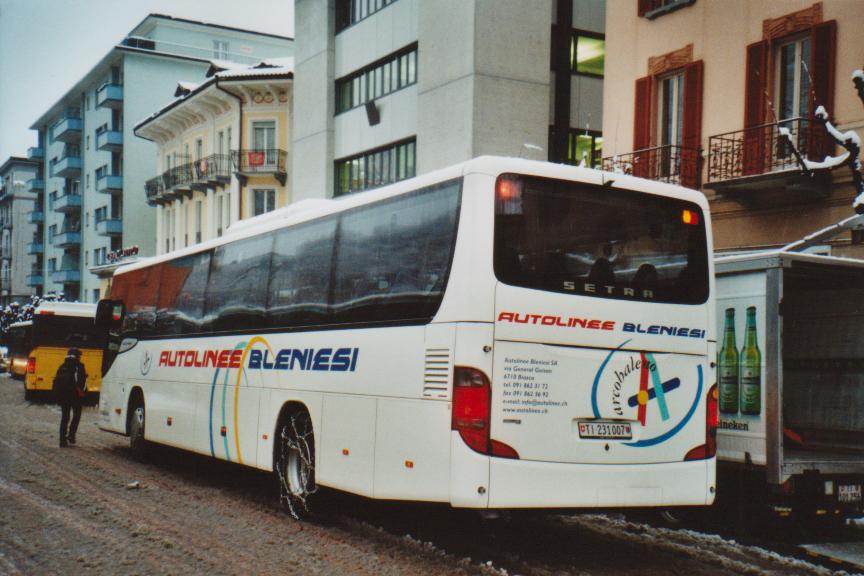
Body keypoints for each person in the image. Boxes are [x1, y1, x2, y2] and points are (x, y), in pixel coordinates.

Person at [53, 348, 87, 448]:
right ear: (76, 356)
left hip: (64, 396)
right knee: (77, 415)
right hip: (75, 396)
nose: (80, 357)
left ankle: (62, 441)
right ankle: (71, 435)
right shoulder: (79, 366)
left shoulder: (62, 366)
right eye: (79, 356)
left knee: (65, 417)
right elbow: (82, 381)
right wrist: (82, 392)